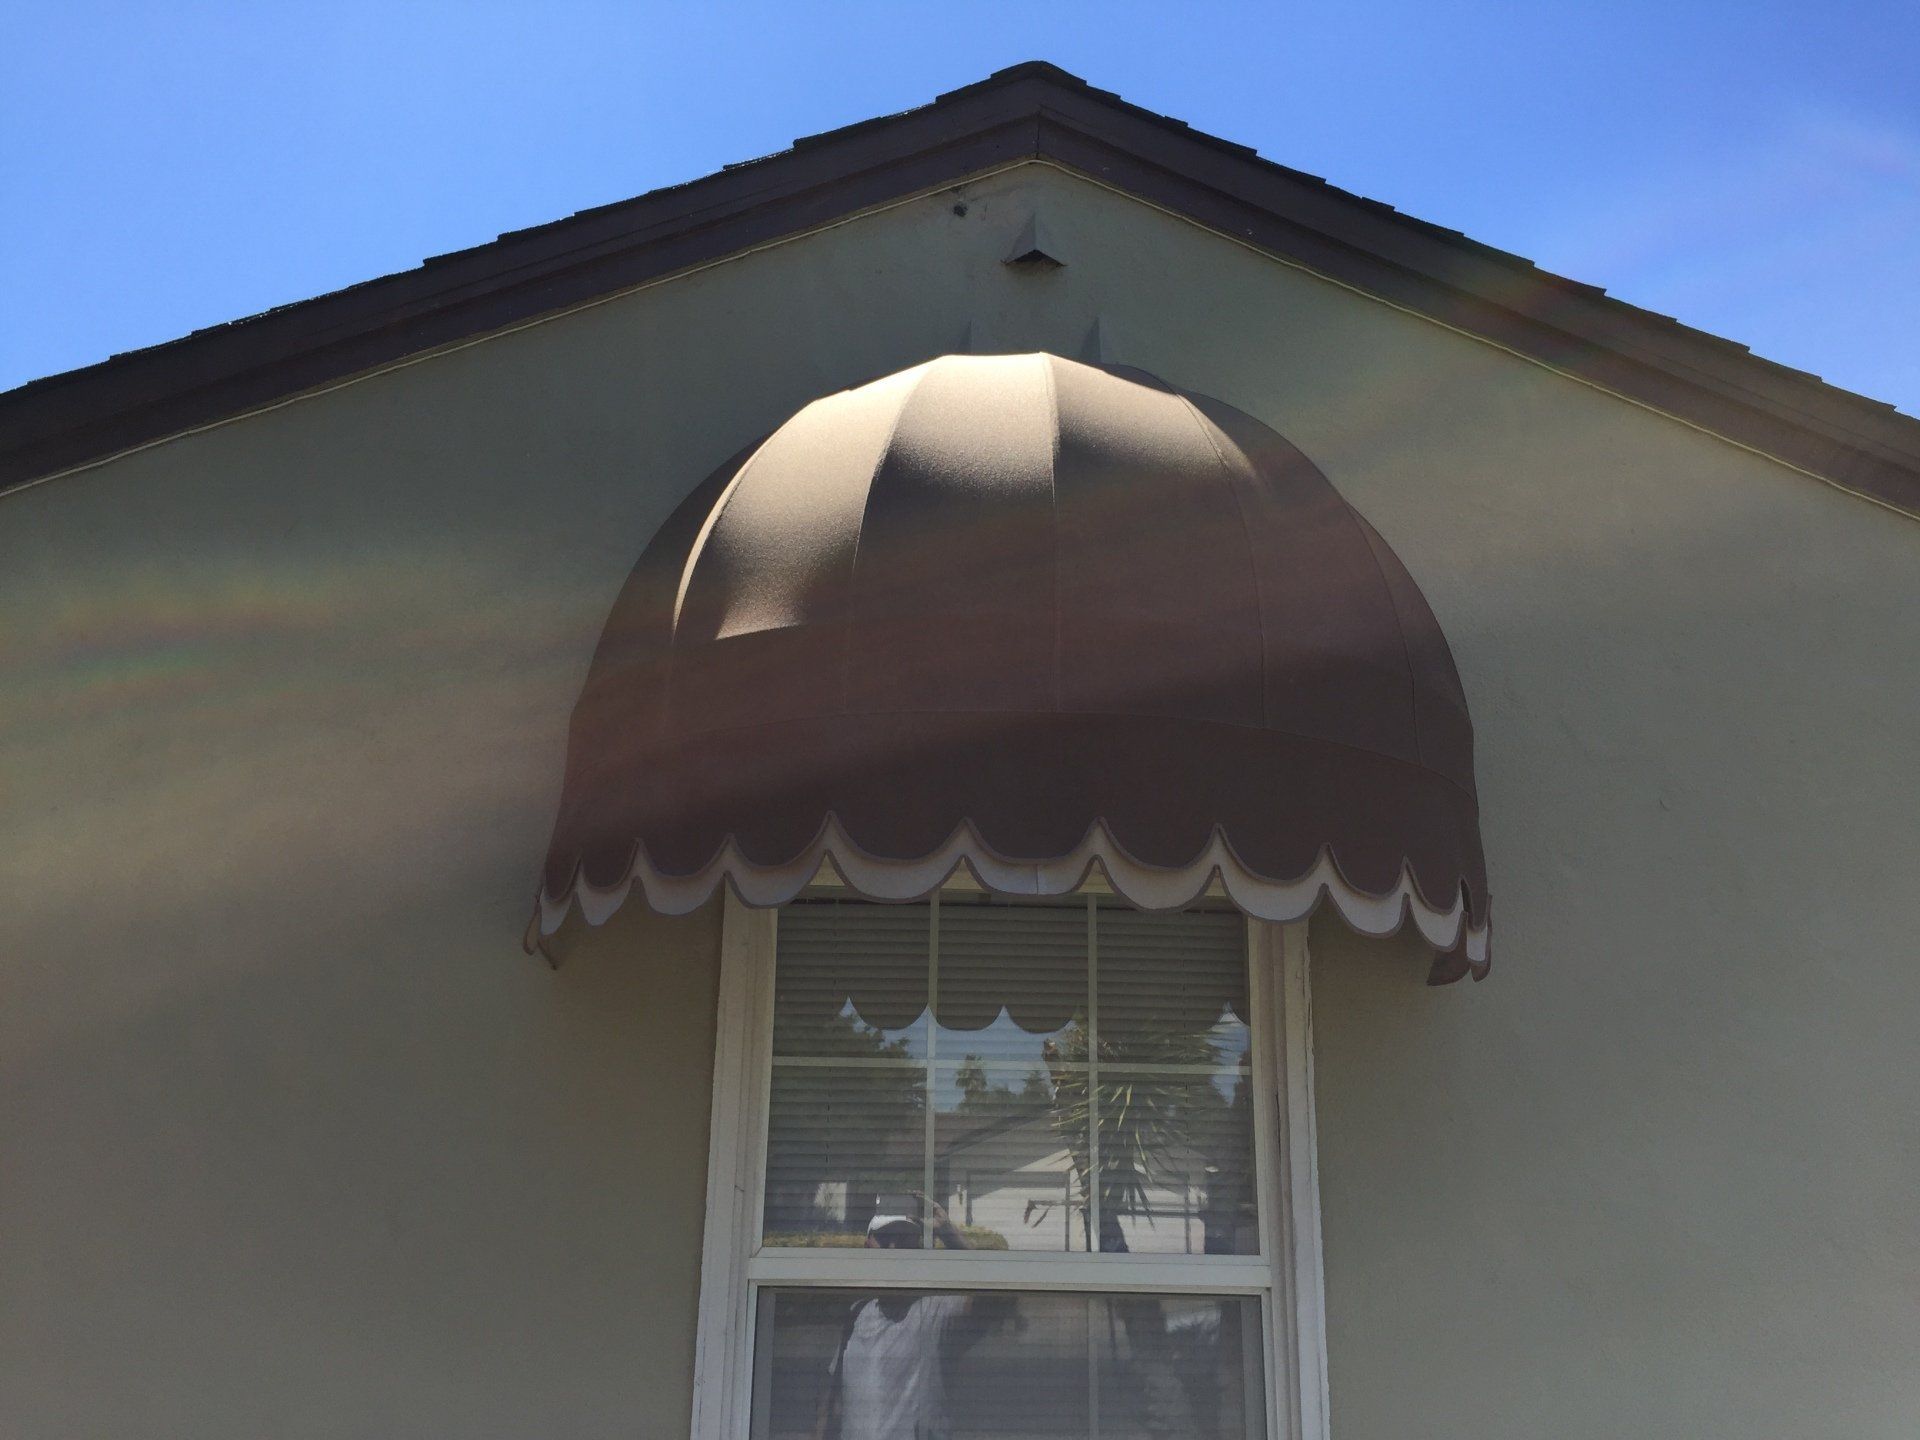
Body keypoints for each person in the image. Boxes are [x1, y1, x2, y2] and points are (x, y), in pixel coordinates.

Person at [812, 1196, 1002, 1440]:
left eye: (903, 1239)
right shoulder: (857, 1314)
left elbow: (995, 1296)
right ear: (868, 1247)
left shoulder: (935, 1312)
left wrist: (948, 1234)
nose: (893, 1248)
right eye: (885, 1239)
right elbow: (829, 1402)